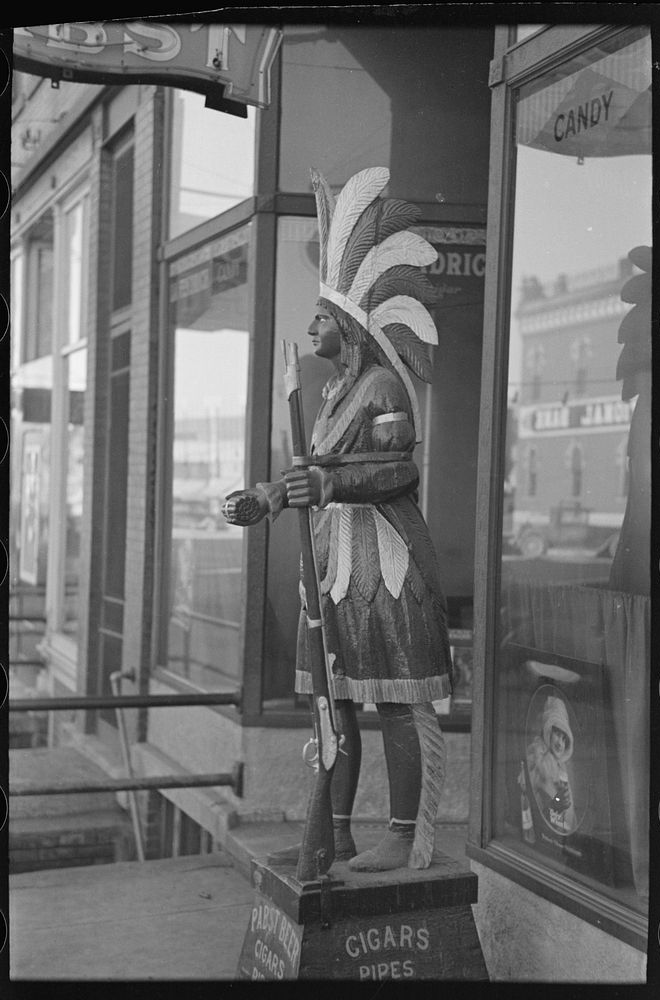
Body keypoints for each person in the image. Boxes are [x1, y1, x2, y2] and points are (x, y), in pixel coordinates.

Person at [223, 166, 452, 871]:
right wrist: (267, 494)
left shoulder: (383, 384)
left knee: (389, 702)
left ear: (347, 325)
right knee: (336, 701)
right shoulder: (332, 397)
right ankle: (337, 829)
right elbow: (314, 474)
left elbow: (398, 471)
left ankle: (402, 832)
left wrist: (319, 484)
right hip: (333, 567)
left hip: (382, 565)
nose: (311, 327)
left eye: (320, 317)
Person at [526, 694, 576, 834]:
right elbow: (535, 814)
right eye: (557, 734)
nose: (560, 743)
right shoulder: (536, 759)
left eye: (564, 738)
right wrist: (558, 803)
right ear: (548, 731)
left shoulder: (561, 766)